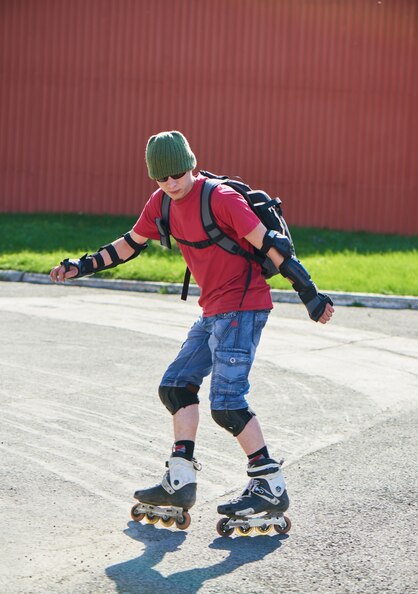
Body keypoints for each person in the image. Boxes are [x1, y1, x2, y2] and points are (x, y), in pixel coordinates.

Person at [50, 131, 334, 528]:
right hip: (213, 310)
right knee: (176, 386)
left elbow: (271, 245)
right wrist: (83, 265)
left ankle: (270, 484)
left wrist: (309, 292)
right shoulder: (161, 203)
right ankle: (180, 480)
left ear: (192, 164)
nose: (172, 183)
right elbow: (130, 244)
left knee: (228, 403)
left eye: (178, 173)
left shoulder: (220, 198)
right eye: (162, 178)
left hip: (244, 305)